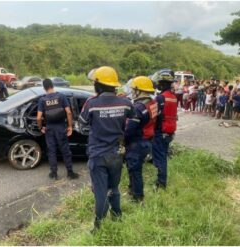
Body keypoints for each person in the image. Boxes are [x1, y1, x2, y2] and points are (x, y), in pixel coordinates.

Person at [79, 66, 134, 232]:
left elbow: (81, 126)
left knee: (100, 191)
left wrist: (96, 129)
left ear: (99, 85)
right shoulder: (125, 103)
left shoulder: (92, 103)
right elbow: (134, 120)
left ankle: (98, 227)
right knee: (114, 188)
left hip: (98, 154)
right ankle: (117, 217)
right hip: (117, 153)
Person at [36, 78, 79, 180]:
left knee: (52, 151)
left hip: (50, 128)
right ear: (52, 85)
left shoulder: (42, 100)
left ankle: (54, 173)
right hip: (61, 127)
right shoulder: (62, 97)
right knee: (65, 150)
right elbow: (68, 112)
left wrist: (40, 127)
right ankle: (70, 173)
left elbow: (38, 117)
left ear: (44, 88)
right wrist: (70, 126)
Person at [124, 76, 158, 202]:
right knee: (135, 169)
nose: (132, 91)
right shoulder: (152, 102)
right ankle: (132, 190)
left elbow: (129, 129)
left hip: (137, 143)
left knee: (135, 170)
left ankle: (137, 197)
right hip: (147, 140)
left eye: (133, 89)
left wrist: (121, 140)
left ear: (139, 90)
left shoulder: (138, 108)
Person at [151, 69, 177, 190]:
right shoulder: (173, 97)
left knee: (160, 158)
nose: (158, 85)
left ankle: (161, 183)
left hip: (160, 132)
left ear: (163, 84)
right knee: (163, 157)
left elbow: (155, 116)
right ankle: (161, 180)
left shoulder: (160, 98)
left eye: (160, 83)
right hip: (169, 131)